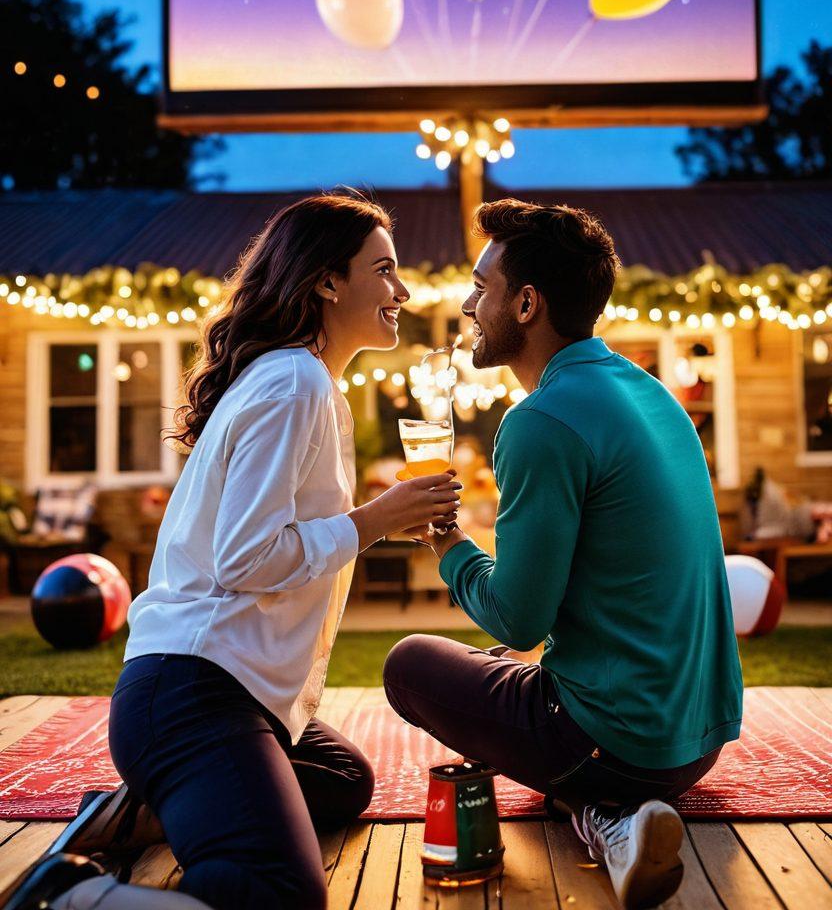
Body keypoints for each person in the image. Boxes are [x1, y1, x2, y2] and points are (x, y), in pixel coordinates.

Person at [9, 192, 461, 910]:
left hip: (223, 690)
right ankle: (65, 894)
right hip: (191, 692)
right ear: (326, 280)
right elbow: (244, 558)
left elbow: (276, 536)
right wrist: (370, 521)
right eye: (384, 270)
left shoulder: (303, 381)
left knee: (345, 781)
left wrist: (372, 520)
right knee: (277, 892)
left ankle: (147, 806)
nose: (402, 291)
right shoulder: (294, 382)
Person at [383, 199, 743, 910]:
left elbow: (517, 619)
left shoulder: (539, 421)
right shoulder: (652, 394)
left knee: (411, 666)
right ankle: (600, 814)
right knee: (491, 672)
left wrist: (448, 543)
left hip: (620, 746)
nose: (465, 304)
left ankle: (604, 809)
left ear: (525, 303)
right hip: (698, 742)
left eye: (481, 287)